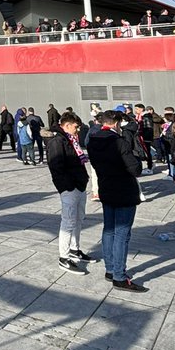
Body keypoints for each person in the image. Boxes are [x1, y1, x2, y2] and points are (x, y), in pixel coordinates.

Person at [87, 109, 148, 292]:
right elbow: (135, 169)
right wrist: (136, 159)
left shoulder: (93, 140)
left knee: (109, 229)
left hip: (107, 187)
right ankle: (119, 277)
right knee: (122, 233)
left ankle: (110, 268)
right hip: (123, 189)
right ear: (115, 123)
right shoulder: (119, 141)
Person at [47, 111, 93, 274]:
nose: (78, 130)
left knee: (78, 219)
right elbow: (55, 167)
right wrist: (66, 186)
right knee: (68, 222)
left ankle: (75, 249)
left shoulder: (71, 139)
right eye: (76, 126)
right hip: (70, 187)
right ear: (67, 125)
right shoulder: (57, 141)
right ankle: (64, 257)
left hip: (79, 184)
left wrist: (83, 179)